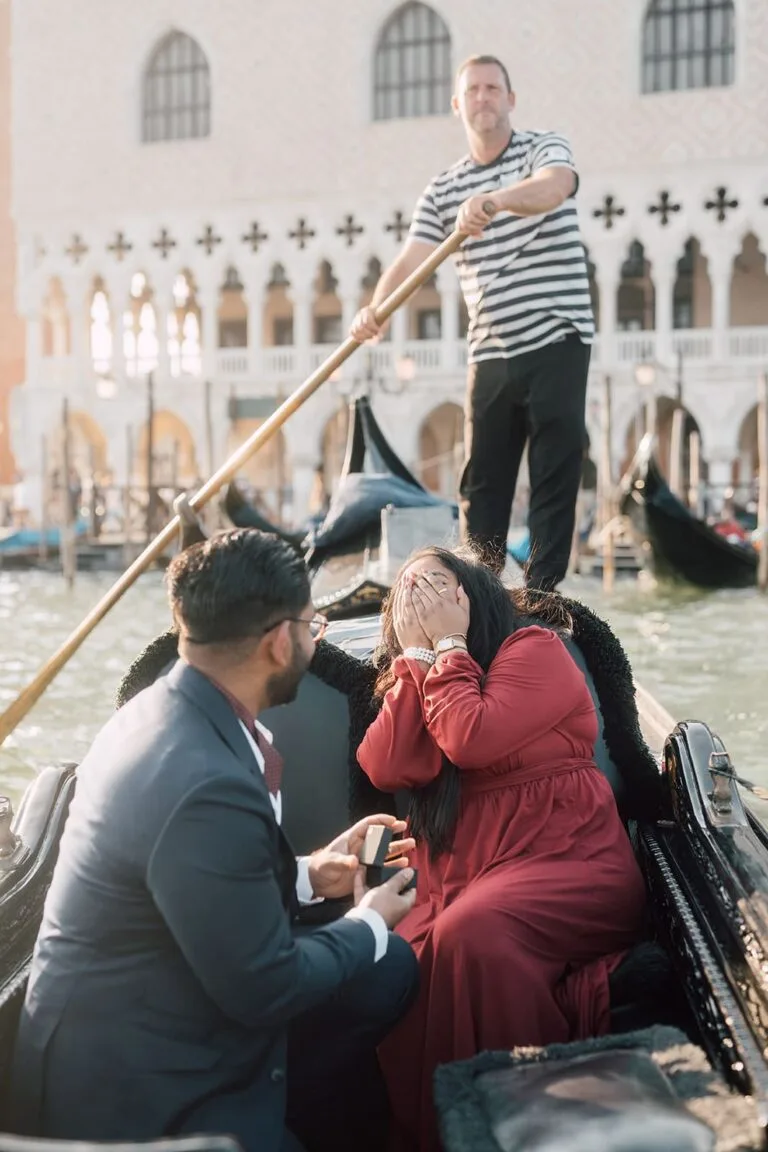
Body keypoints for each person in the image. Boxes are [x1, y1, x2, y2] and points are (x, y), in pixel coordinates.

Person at [11, 529, 419, 1152]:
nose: (317, 639)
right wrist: (367, 919)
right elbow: (267, 987)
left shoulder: (159, 712)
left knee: (386, 971)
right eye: (314, 624)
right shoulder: (205, 781)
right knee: (380, 953)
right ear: (281, 642)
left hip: (150, 1004)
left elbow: (198, 881)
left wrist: (311, 873)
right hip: (138, 1092)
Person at [357, 546, 647, 1151]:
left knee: (474, 932)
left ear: (474, 594)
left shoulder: (536, 650)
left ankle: (517, 1125)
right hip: (465, 867)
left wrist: (449, 648)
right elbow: (387, 764)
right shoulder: (425, 672)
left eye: (437, 587)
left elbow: (470, 738)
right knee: (401, 942)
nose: (423, 601)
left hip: (567, 858)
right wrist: (416, 657)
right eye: (409, 593)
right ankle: (438, 1129)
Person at [350, 55, 594, 590]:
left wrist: (495, 201)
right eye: (473, 91)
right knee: (481, 484)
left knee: (555, 474)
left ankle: (544, 601)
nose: (483, 98)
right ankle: (477, 596)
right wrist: (377, 308)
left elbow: (554, 187)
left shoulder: (542, 147)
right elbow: (413, 258)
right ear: (457, 105)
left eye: (493, 88)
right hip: (490, 349)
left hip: (558, 335)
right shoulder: (442, 189)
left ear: (510, 99)